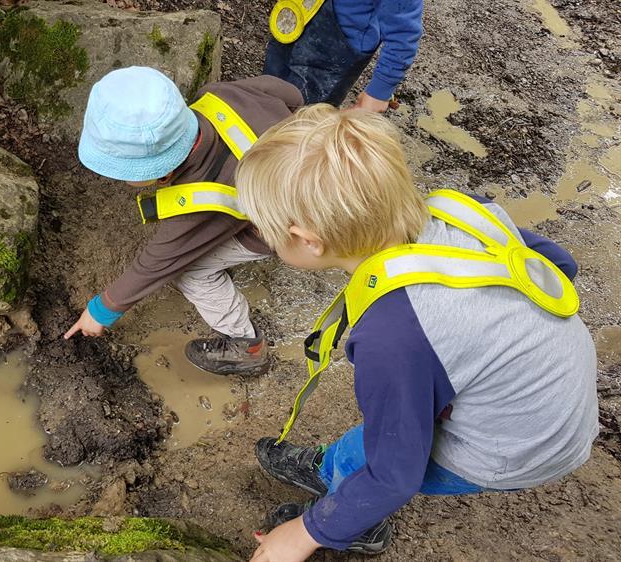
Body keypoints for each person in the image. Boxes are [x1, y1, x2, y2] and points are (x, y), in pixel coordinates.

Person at [233, 105, 598, 560]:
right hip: (567, 402)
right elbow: (560, 266)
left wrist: (303, 534)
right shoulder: (464, 213)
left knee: (368, 456)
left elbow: (396, 472)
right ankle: (332, 472)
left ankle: (352, 519)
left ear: (308, 239)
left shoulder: (392, 335)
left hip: (519, 448)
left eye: (266, 232)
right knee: (375, 437)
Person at [63, 66, 303, 376]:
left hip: (281, 223)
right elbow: (289, 94)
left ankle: (247, 346)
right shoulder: (218, 96)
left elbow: (159, 262)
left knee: (190, 272)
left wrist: (101, 311)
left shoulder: (199, 200)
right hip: (300, 166)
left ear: (158, 171)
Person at [264, 0, 423, 111]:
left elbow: (404, 33)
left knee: (302, 120)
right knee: (268, 92)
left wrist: (378, 93)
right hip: (295, 20)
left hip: (333, 52)